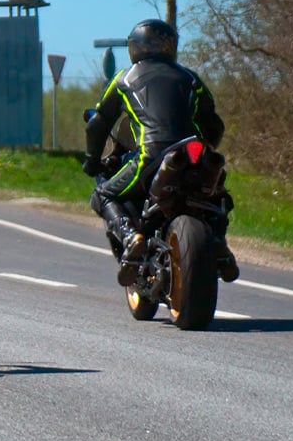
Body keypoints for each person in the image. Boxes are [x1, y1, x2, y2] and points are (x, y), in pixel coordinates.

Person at [83, 18, 238, 285]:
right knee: (219, 197)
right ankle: (218, 242)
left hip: (150, 156)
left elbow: (98, 123)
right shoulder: (191, 78)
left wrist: (91, 160)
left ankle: (131, 237)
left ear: (135, 47)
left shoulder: (124, 78)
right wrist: (207, 149)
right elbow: (214, 125)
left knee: (102, 194)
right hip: (195, 155)